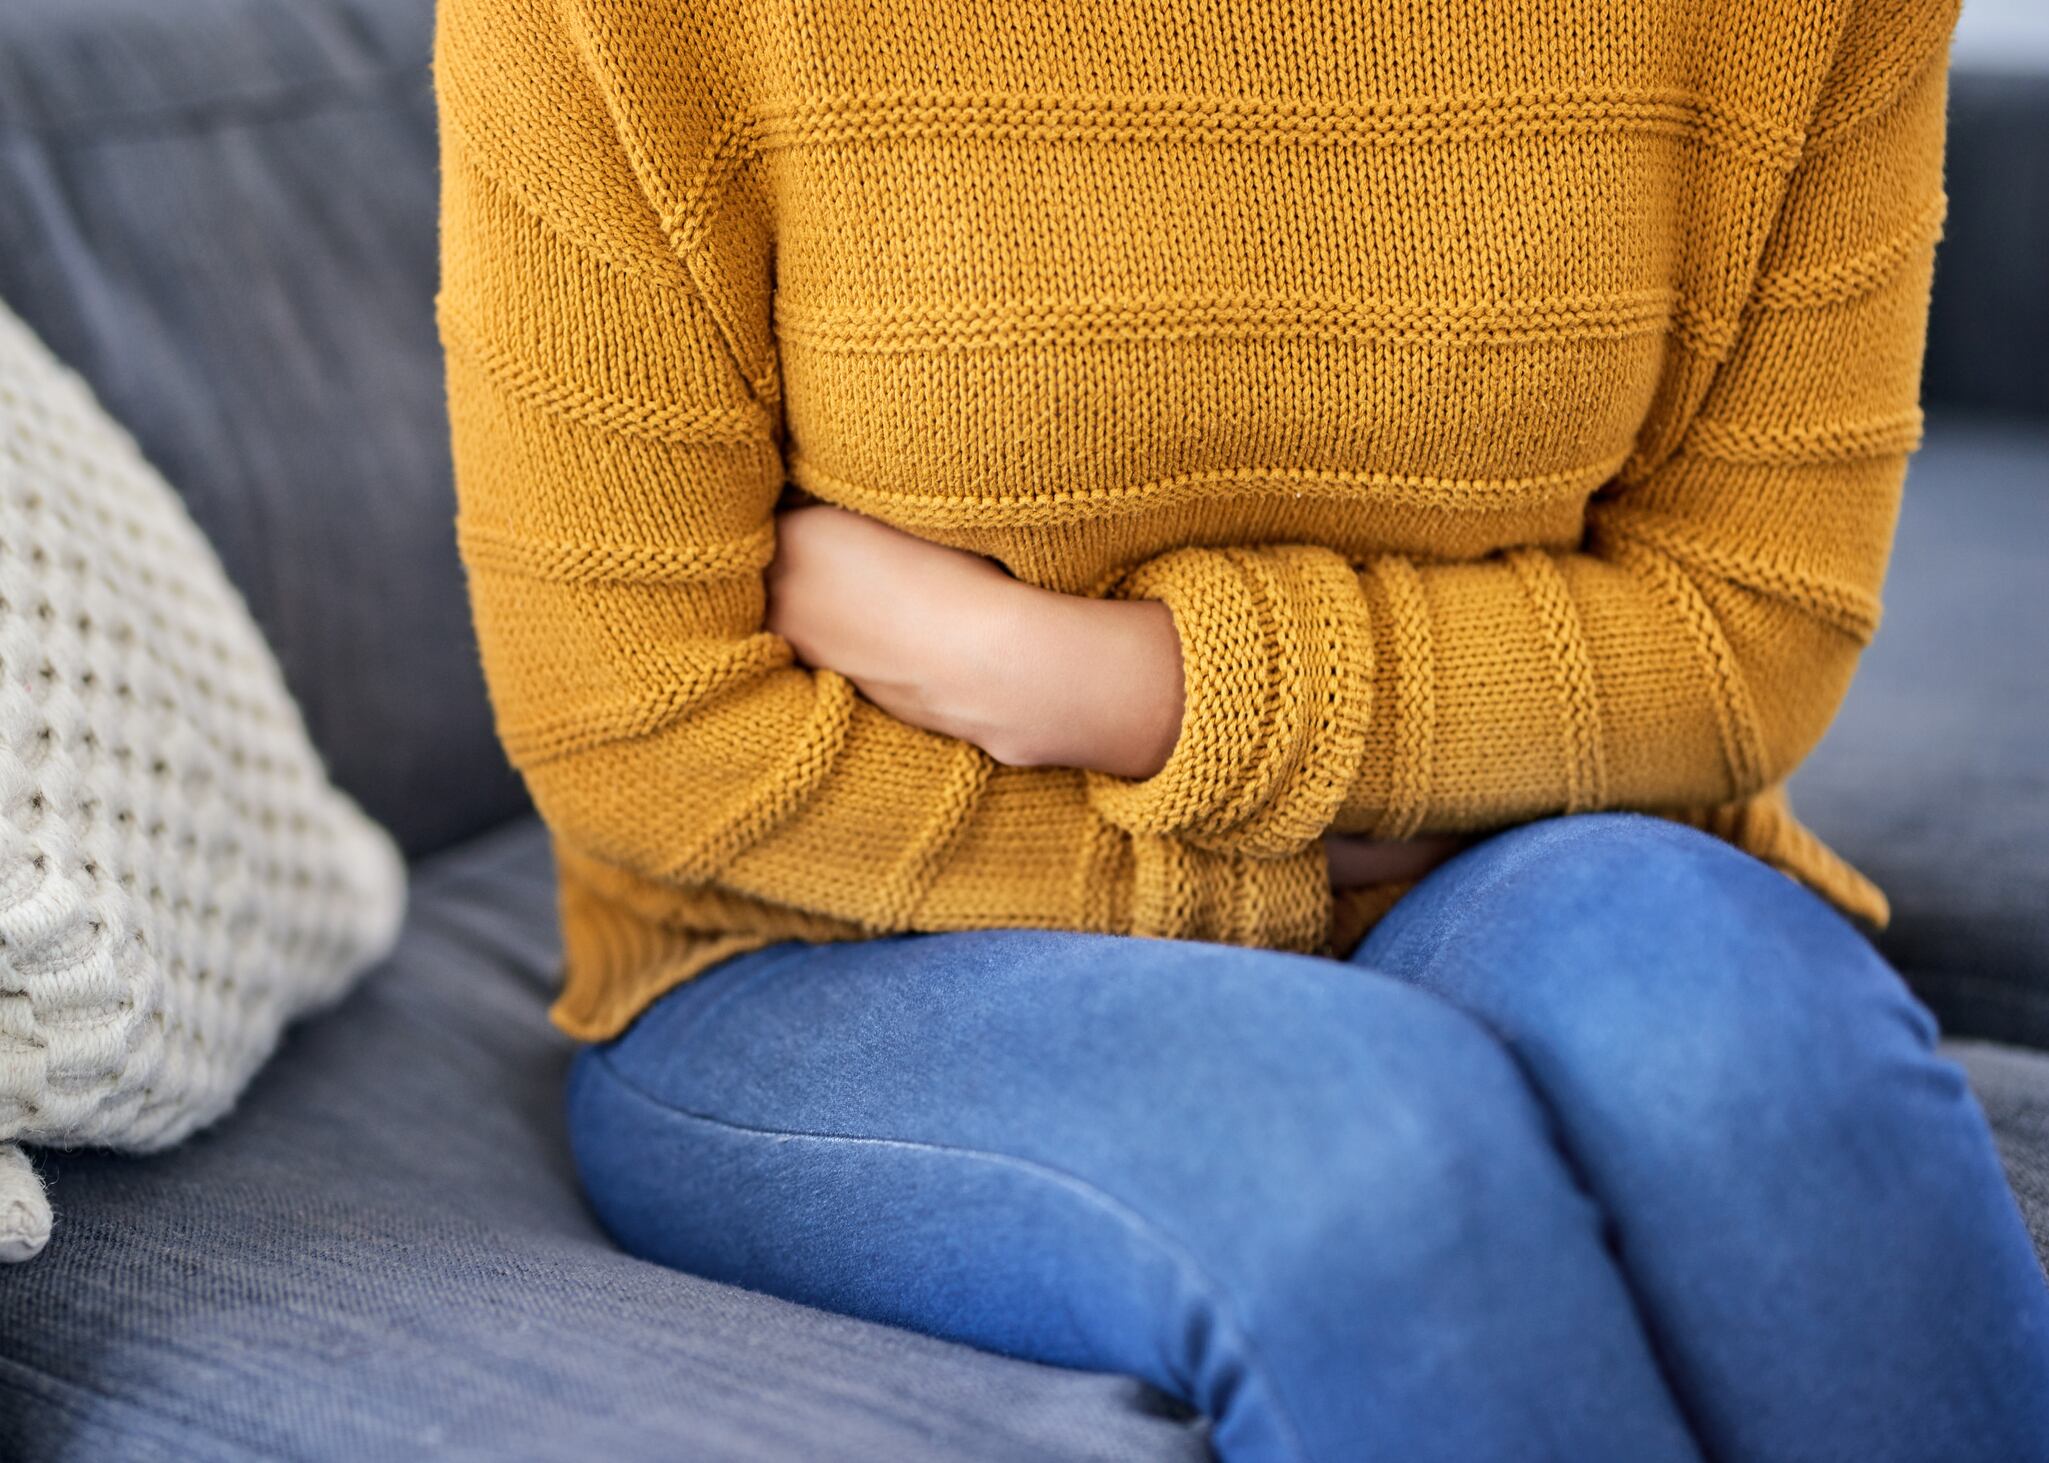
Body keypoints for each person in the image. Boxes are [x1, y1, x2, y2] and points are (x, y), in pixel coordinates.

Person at [432, 0, 2049, 1456]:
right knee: (1359, 1160)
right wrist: (1296, 858)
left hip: (1512, 859)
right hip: (821, 945)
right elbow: (638, 724)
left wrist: (1090, 683)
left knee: (1760, 1062)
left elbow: (1740, 634)